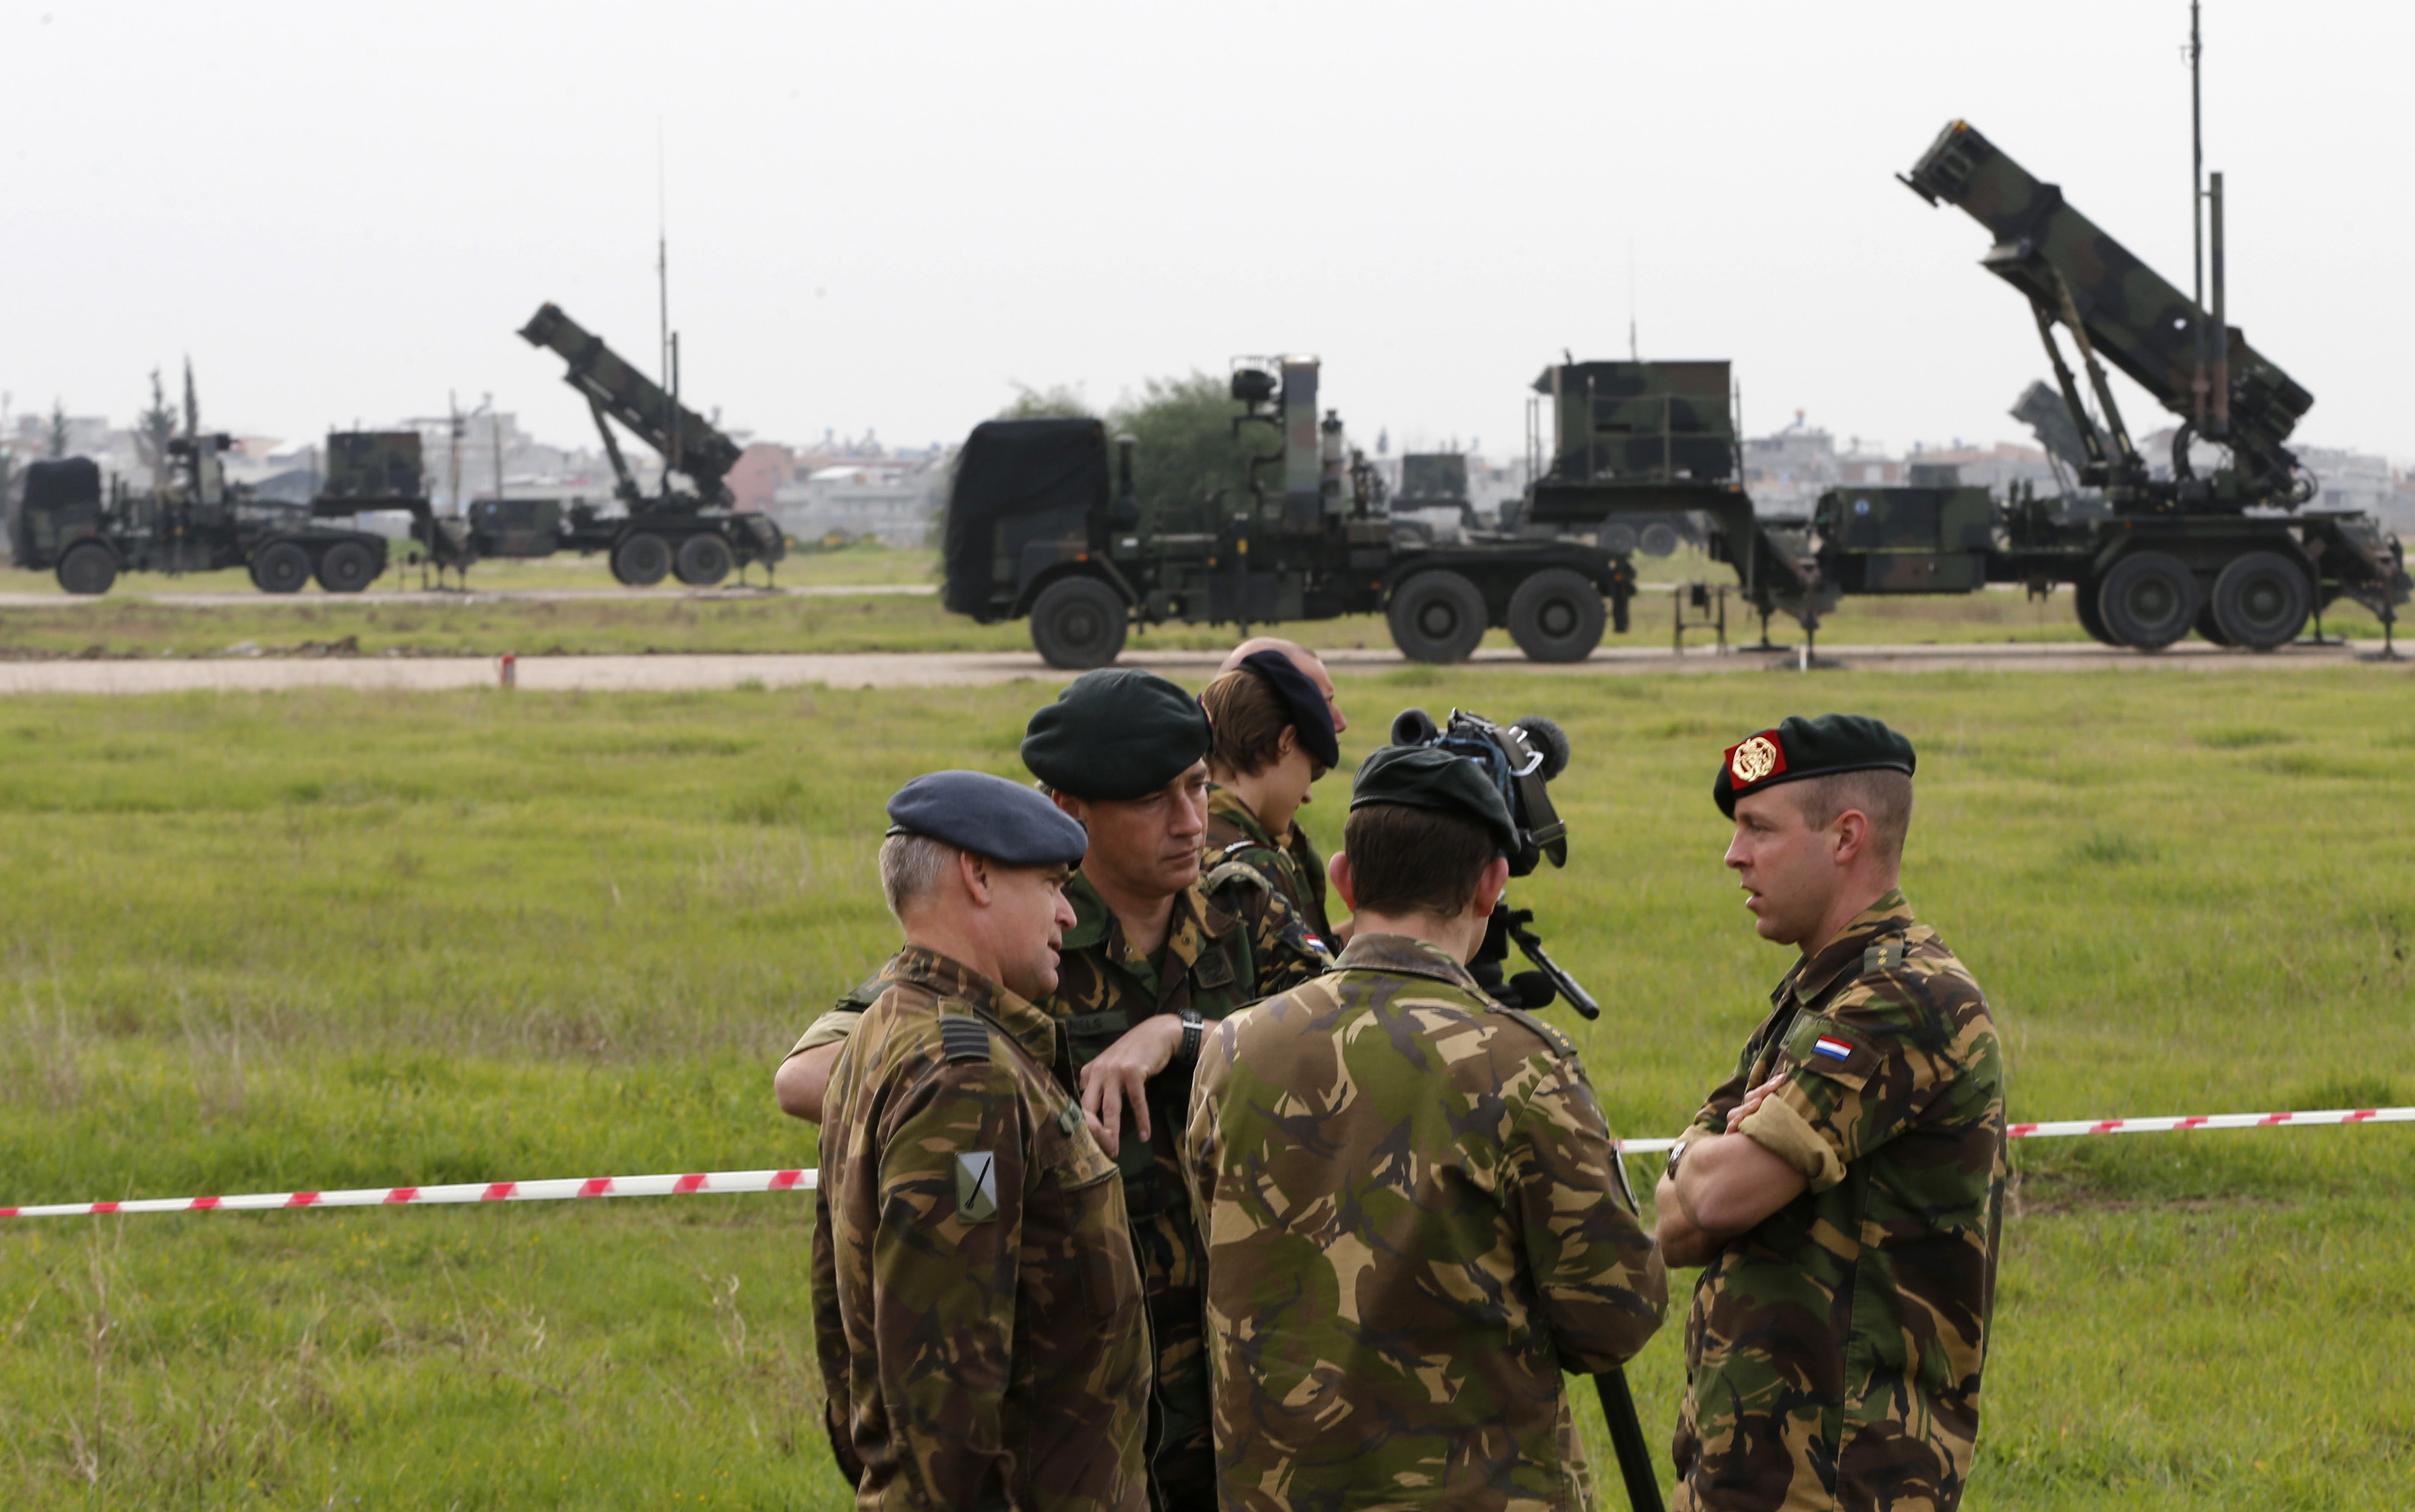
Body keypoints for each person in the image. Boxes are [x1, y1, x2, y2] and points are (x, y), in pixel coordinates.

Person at [781, 669, 1330, 1511]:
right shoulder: (1010, 953)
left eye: (1196, 787)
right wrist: (1032, 1113)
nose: (1191, 822)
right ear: (1071, 814)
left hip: (1248, 1377)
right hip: (1080, 1398)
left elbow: (1349, 1049)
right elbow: (813, 1074)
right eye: (1156, 800)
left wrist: (1178, 1041)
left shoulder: (1242, 908)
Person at [1184, 743, 1667, 1511]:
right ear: (1490, 884)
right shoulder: (1520, 1063)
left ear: (1342, 877)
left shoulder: (1232, 1047)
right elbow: (1613, 1318)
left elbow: (1220, 1244)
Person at [1654, 714, 2006, 1512]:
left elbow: (1711, 1198)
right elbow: (1675, 1230)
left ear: (1845, 836)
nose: (1732, 854)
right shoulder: (1819, 994)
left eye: (1757, 829)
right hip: (1754, 1463)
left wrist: (1702, 1153)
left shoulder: (1904, 998)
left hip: (1843, 1476)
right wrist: (1705, 1154)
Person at [813, 769, 1150, 1511]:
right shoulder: (967, 1075)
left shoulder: (888, 1027)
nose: (1067, 915)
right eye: (1053, 885)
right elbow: (943, 1389)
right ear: (979, 875)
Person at [1206, 637, 1349, 943]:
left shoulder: (1181, 835)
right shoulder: (1256, 866)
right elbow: (1307, 988)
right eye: (1309, 767)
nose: (1308, 793)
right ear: (1285, 742)